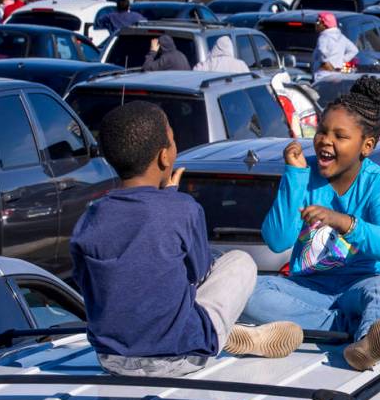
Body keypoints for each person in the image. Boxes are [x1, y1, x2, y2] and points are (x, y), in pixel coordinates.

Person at [70, 102, 303, 377]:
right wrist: (169, 198)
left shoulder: (91, 216)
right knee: (240, 261)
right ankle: (221, 332)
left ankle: (223, 330)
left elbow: (88, 283)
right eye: (172, 140)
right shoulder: (181, 208)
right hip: (180, 354)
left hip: (110, 358)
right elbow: (200, 272)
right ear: (164, 158)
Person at [242, 76, 380, 370]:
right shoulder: (304, 176)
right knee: (248, 289)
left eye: (339, 136)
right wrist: (293, 176)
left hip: (363, 287)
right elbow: (278, 240)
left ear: (366, 145)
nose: (325, 140)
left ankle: (356, 337)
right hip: (308, 290)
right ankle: (354, 332)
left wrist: (343, 222)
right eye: (322, 131)